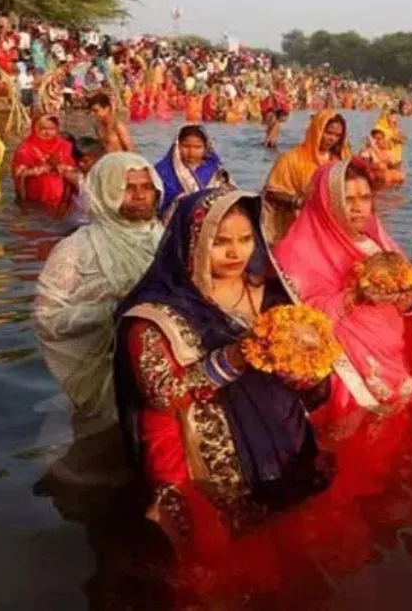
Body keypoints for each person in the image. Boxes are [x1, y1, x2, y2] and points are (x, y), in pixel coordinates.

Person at [114, 189, 331, 548]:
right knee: (230, 556)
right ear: (192, 244)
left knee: (297, 539)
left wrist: (307, 376)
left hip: (286, 441)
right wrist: (232, 359)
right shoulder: (154, 317)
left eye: (246, 239)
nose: (236, 253)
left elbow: (315, 375)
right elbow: (161, 396)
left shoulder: (275, 294)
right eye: (221, 242)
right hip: (215, 461)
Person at [274, 160, 412, 429]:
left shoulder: (376, 240)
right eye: (348, 199)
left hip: (393, 354)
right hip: (345, 366)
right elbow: (295, 319)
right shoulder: (295, 251)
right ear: (326, 201)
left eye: (365, 198)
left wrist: (408, 302)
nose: (358, 208)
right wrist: (354, 297)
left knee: (400, 433)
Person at [34, 153, 164, 446]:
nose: (140, 196)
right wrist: (111, 312)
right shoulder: (76, 249)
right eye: (128, 188)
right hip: (101, 372)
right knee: (103, 444)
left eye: (147, 187)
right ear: (106, 192)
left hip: (158, 373)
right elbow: (48, 318)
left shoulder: (164, 239)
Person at [262, 109, 351, 243]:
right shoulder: (291, 158)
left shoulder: (341, 160)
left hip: (332, 227)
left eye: (337, 135)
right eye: (328, 133)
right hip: (298, 226)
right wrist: (299, 201)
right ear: (317, 130)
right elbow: (271, 193)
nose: (332, 139)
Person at [154, 124, 233, 214]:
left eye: (197, 147)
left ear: (206, 148)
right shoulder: (162, 171)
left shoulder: (217, 171)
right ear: (177, 146)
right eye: (185, 146)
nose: (191, 152)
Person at [11, 112, 78, 214]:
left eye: (52, 129)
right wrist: (36, 170)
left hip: (62, 200)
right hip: (35, 200)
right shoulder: (26, 148)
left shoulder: (66, 146)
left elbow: (78, 170)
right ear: (35, 128)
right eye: (43, 129)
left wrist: (62, 168)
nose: (47, 133)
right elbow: (17, 173)